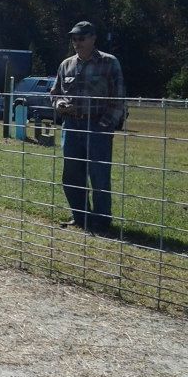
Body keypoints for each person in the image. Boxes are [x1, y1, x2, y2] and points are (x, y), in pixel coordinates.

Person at [51, 21, 126, 234]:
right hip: (72, 126)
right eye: (74, 38)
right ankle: (80, 217)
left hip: (98, 125)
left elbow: (119, 97)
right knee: (72, 175)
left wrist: (105, 124)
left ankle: (102, 222)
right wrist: (59, 104)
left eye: (81, 38)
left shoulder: (109, 63)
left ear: (93, 38)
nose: (77, 42)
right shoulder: (66, 65)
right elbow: (54, 93)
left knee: (99, 174)